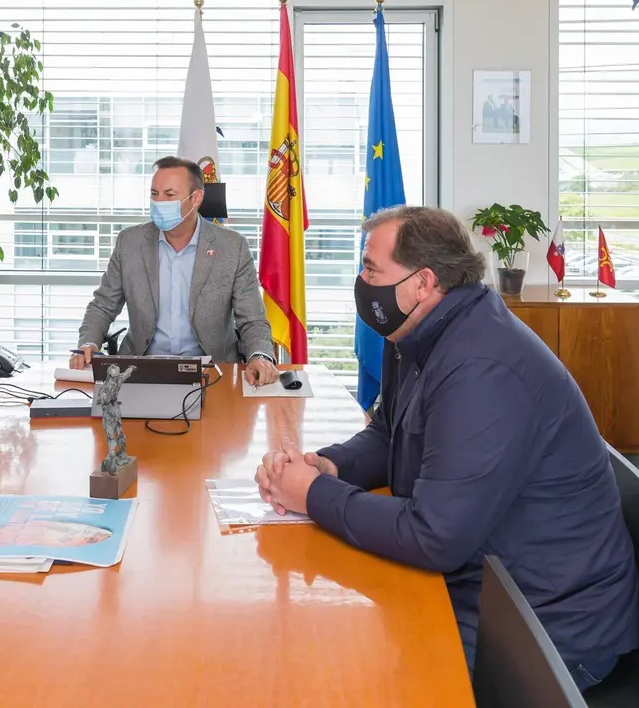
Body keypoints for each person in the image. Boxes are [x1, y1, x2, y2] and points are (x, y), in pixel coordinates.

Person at [255, 206, 639, 691]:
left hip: (547, 634)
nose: (361, 280)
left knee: (334, 675)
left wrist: (312, 495)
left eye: (372, 268)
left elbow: (435, 537)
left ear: (423, 283)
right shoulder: (418, 331)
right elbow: (391, 432)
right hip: (489, 587)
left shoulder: (483, 368)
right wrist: (328, 466)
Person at [71, 156, 279, 386]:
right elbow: (103, 304)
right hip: (141, 370)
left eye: (169, 195)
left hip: (212, 372)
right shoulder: (129, 242)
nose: (159, 202)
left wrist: (260, 356)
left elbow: (252, 319)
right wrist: (88, 343)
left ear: (196, 198)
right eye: (154, 194)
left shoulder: (232, 247)